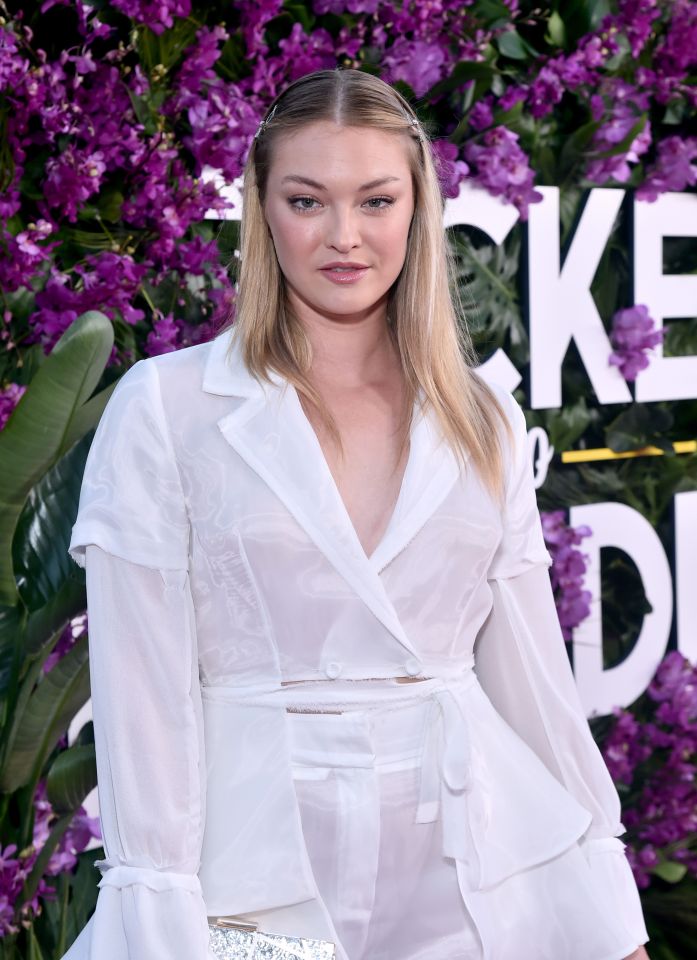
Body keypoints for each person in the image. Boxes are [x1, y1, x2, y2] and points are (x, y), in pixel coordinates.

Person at [62, 68, 651, 960]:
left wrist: (606, 914)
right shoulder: (167, 409)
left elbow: (534, 691)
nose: (344, 237)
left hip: (469, 873)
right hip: (251, 882)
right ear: (262, 209)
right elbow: (145, 707)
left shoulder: (481, 416)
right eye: (308, 200)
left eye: (375, 200)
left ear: (416, 208)